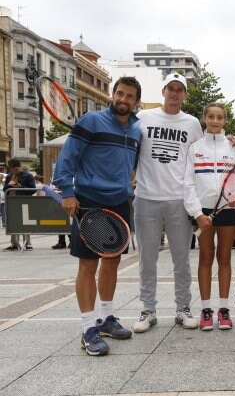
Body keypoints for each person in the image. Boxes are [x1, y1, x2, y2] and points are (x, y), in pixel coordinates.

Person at [53, 76, 142, 356]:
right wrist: (67, 191)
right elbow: (68, 158)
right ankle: (88, 329)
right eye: (120, 94)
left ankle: (106, 319)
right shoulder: (91, 121)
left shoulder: (138, 130)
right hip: (89, 201)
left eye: (129, 96)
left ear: (136, 101)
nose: (123, 100)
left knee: (112, 263)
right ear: (112, 95)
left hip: (119, 202)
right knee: (88, 267)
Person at [132, 73, 203, 333]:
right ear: (163, 91)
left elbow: (202, 157)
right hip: (146, 197)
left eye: (179, 89)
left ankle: (183, 308)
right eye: (170, 89)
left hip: (178, 199)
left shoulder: (193, 123)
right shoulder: (143, 118)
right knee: (146, 258)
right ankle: (147, 309)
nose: (174, 93)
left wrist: (230, 141)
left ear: (185, 94)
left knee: (181, 259)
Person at [184, 102, 235, 331]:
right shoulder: (195, 147)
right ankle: (206, 309)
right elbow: (187, 184)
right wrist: (197, 213)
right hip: (203, 212)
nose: (215, 121)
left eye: (219, 117)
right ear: (204, 118)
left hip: (229, 209)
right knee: (206, 258)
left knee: (225, 258)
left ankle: (224, 309)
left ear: (224, 120)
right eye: (211, 117)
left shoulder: (234, 147)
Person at [3, 159, 36, 251]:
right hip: (11, 202)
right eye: (13, 170)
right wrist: (8, 185)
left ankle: (28, 243)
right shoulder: (9, 176)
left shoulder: (28, 176)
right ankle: (14, 244)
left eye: (16, 169)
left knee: (25, 222)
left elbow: (33, 190)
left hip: (24, 202)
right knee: (13, 223)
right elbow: (4, 190)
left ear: (20, 167)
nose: (14, 171)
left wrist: (20, 186)